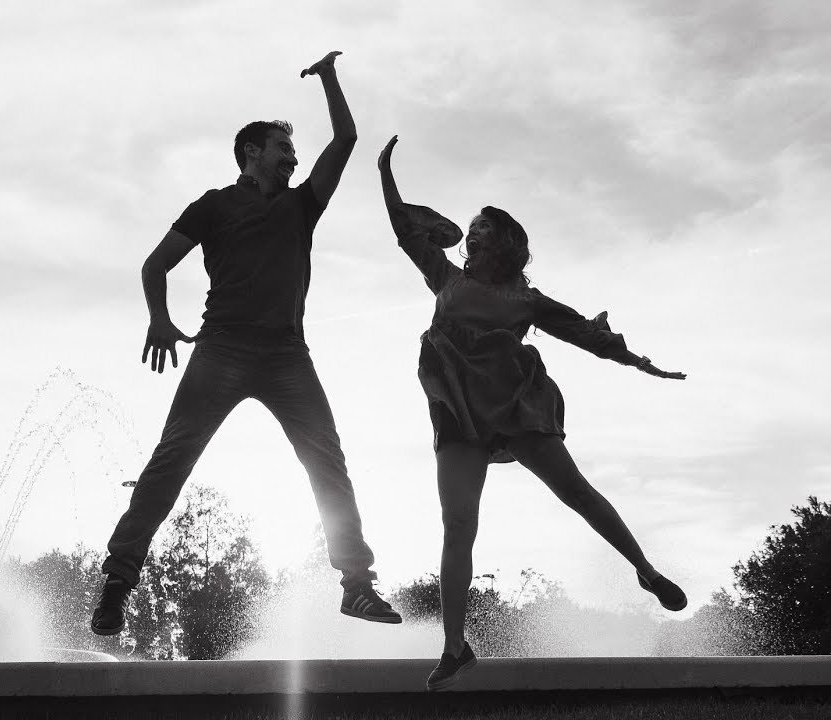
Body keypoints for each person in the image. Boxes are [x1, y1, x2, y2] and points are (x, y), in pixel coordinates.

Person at [90, 52, 402, 637]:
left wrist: (329, 78)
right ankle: (116, 582)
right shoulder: (213, 206)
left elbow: (347, 137)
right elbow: (155, 265)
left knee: (326, 460)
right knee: (170, 464)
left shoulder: (302, 204)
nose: (294, 155)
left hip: (287, 354)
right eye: (284, 147)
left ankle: (357, 585)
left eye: (294, 150)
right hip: (222, 351)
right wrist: (159, 318)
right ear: (251, 153)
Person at [377, 135, 688, 690]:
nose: (470, 233)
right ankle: (455, 646)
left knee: (576, 492)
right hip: (457, 412)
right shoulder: (445, 277)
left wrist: (642, 363)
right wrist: (385, 172)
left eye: (481, 228)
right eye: (470, 227)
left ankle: (645, 569)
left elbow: (589, 336)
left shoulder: (527, 300)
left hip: (516, 407)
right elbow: (403, 229)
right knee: (457, 526)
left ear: (502, 245)